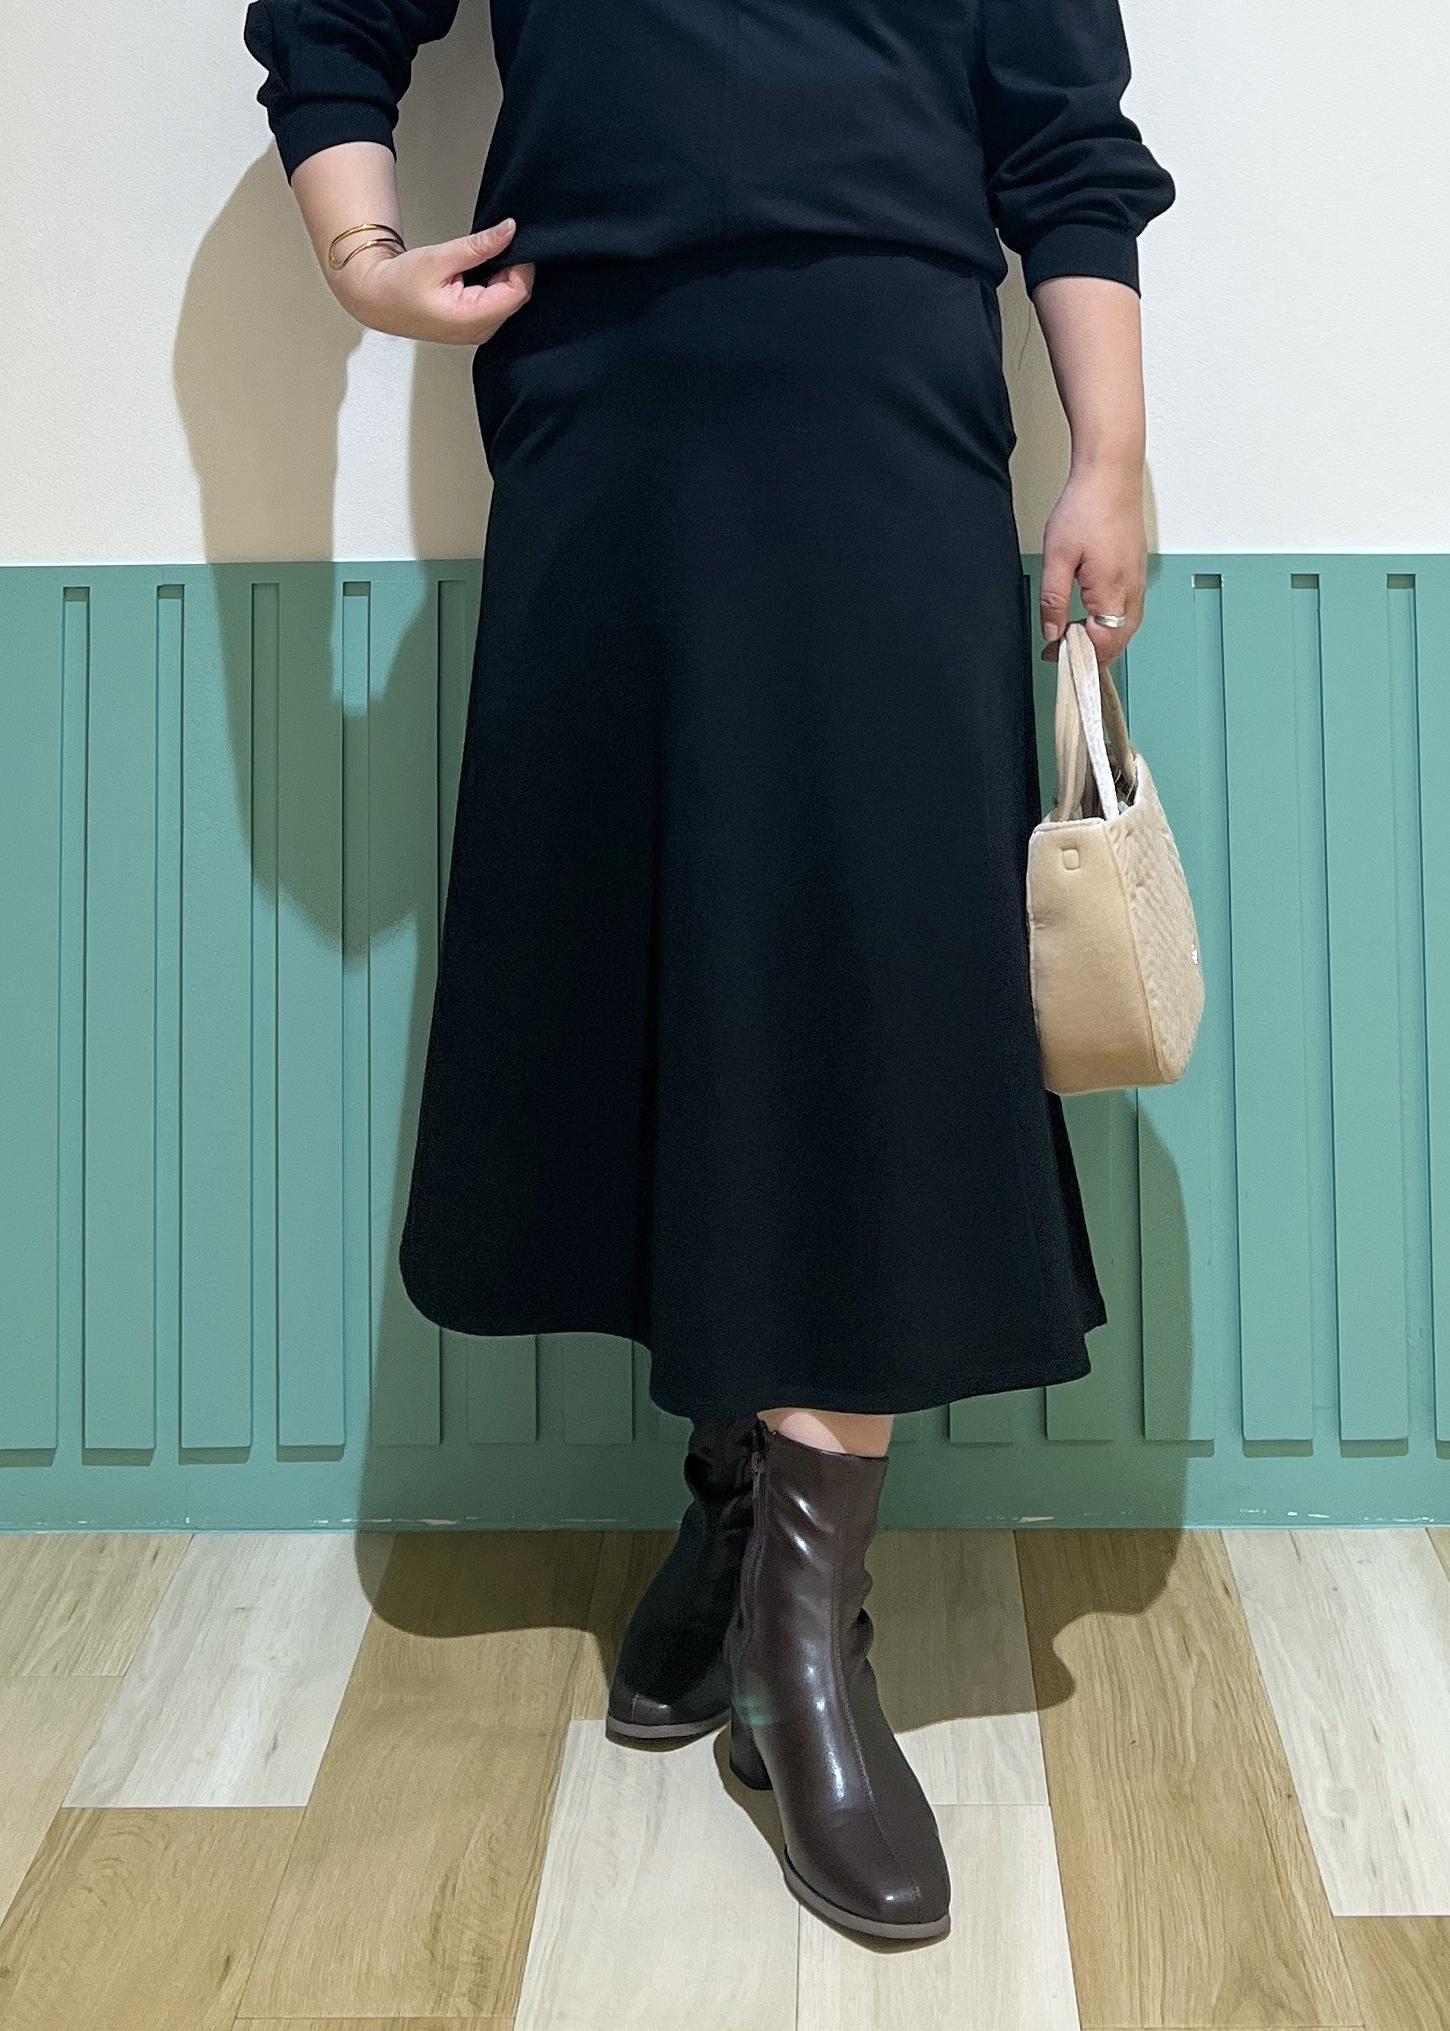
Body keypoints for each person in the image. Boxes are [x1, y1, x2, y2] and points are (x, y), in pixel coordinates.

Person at [242, 0, 1175, 1945]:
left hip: (887, 407)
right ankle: (739, 1507)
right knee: (664, 955)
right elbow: (324, 19)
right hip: (602, 407)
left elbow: (1066, 144)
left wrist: (1113, 452)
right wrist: (358, 262)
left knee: (863, 985)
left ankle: (801, 1646)